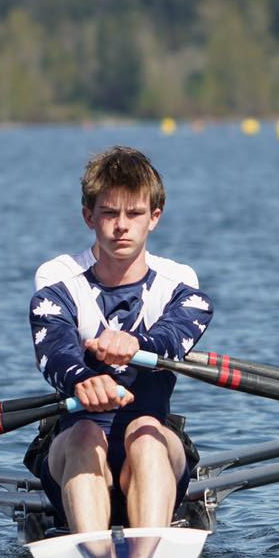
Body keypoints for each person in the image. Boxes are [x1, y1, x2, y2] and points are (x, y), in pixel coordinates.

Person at [27, 146, 213, 534]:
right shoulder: (57, 280)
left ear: (154, 218)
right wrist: (83, 378)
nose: (121, 226)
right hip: (74, 445)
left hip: (153, 444)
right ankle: (92, 556)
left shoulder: (180, 283)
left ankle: (150, 557)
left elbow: (175, 334)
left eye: (134, 214)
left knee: (145, 431)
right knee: (84, 434)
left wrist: (138, 343)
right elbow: (55, 349)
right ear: (89, 217)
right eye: (109, 213)